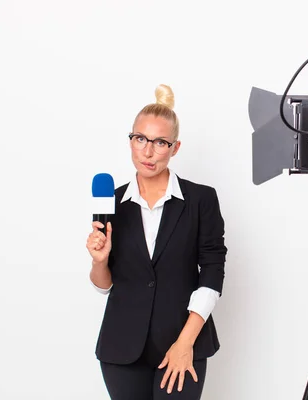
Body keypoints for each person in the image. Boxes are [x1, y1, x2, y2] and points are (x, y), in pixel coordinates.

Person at [86, 84, 227, 400]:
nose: (148, 152)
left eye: (160, 142)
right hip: (121, 348)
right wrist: (99, 261)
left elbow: (212, 272)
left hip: (181, 342)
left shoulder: (201, 199)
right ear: (131, 141)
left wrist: (185, 342)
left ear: (175, 147)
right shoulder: (112, 201)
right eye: (140, 139)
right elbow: (104, 286)